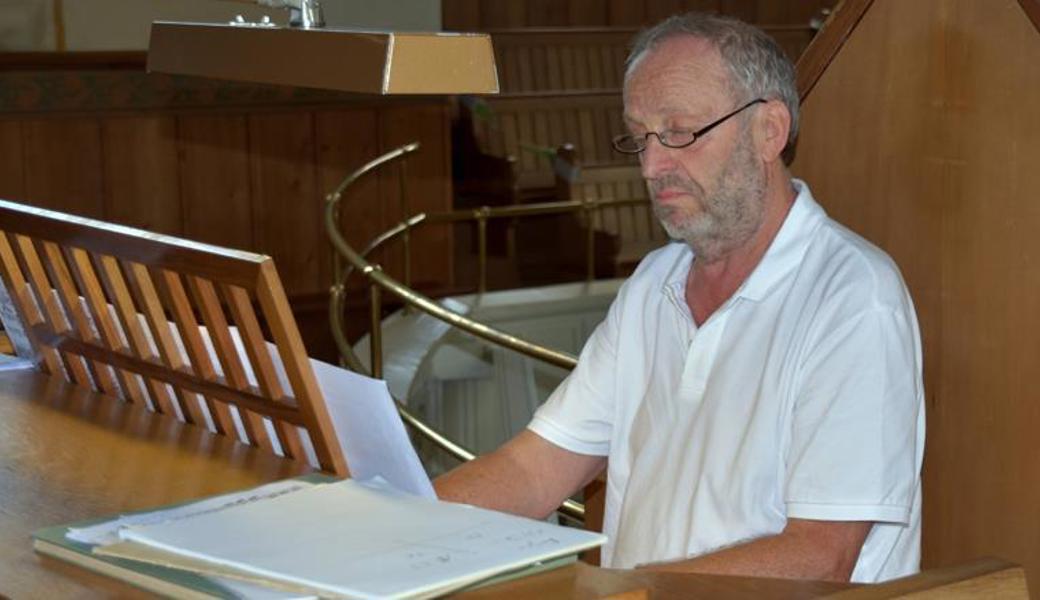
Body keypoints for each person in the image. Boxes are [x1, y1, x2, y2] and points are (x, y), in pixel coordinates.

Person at [435, 12, 924, 584]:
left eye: (680, 132)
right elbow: (532, 469)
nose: (651, 165)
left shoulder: (853, 297)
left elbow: (819, 558)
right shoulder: (653, 284)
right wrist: (392, 523)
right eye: (640, 137)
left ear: (769, 130)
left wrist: (624, 591)